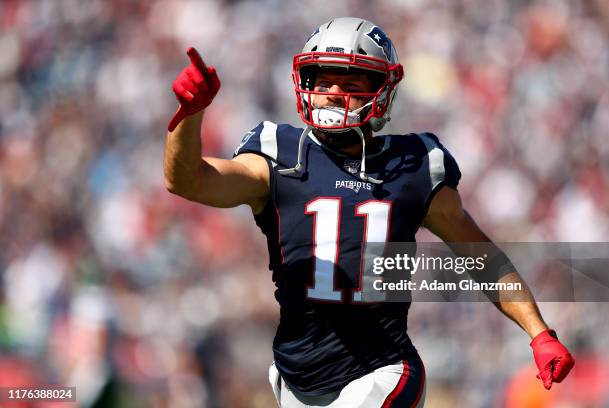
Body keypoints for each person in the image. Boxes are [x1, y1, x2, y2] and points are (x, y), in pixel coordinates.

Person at [164, 17, 574, 408]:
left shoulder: (414, 165)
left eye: (351, 81)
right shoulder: (280, 155)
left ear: (382, 88)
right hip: (299, 376)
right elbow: (188, 181)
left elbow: (481, 256)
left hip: (383, 371)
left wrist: (539, 333)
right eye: (324, 79)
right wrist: (189, 115)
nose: (333, 92)